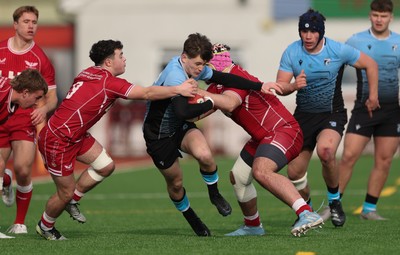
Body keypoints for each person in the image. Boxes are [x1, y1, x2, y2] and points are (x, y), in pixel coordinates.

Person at [35, 39, 198, 241]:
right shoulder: (109, 82)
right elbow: (146, 93)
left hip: (75, 135)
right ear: (109, 62)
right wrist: (178, 89)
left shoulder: (89, 72)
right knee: (64, 193)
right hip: (58, 139)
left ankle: (73, 201)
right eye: (121, 55)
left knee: (105, 166)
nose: (124, 59)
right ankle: (46, 225)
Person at [142, 33, 277, 237]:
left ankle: (214, 195)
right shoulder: (175, 75)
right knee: (176, 184)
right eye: (197, 64)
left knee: (205, 155)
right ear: (184, 57)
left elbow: (224, 77)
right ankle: (192, 218)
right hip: (158, 134)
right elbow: (183, 112)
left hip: (179, 127)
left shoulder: (194, 67)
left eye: (203, 64)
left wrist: (260, 86)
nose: (200, 69)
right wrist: (212, 101)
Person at [198, 43, 324, 237]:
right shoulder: (216, 86)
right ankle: (253, 226)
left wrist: (198, 93)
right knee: (238, 177)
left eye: (202, 63)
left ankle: (306, 212)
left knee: (262, 171)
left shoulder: (236, 76)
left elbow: (230, 103)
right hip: (262, 137)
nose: (198, 69)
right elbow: (202, 110)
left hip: (283, 130)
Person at [276, 9, 379, 227]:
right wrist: (294, 86)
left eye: (313, 31)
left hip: (331, 114)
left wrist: (373, 95)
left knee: (326, 151)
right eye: (304, 32)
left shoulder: (338, 49)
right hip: (303, 117)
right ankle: (308, 211)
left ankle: (334, 202)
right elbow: (280, 87)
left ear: (321, 33)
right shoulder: (292, 52)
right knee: (294, 172)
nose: (308, 36)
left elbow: (370, 64)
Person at [336, 0, 400, 221]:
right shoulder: (356, 40)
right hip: (364, 108)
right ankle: (334, 205)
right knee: (349, 156)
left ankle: (369, 209)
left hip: (391, 110)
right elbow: (338, 67)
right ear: (370, 16)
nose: (379, 19)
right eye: (375, 15)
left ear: (390, 17)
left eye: (383, 16)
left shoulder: (398, 42)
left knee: (384, 160)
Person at [0, 5, 58, 235]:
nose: (31, 26)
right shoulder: (1, 50)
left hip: (24, 117)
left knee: (24, 169)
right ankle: (5, 179)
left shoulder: (40, 58)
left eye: (34, 22)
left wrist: (43, 110)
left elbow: (52, 96)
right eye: (26, 21)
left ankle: (20, 222)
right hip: (0, 117)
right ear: (15, 24)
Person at [0, 69, 48, 239]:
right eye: (36, 98)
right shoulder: (3, 94)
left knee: (14, 167)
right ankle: (5, 178)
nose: (37, 103)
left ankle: (19, 222)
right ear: (25, 92)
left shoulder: (12, 103)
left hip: (17, 120)